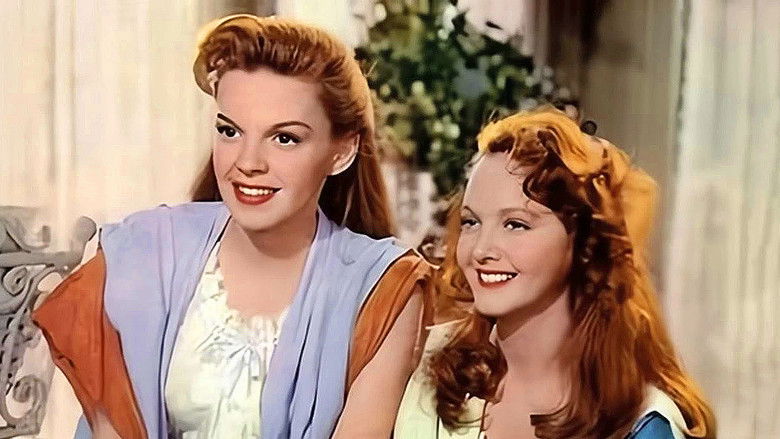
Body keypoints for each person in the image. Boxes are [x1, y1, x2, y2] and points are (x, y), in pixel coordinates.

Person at [34, 14, 433, 439]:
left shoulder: (383, 288)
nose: (247, 162)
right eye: (230, 131)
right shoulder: (142, 252)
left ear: (343, 151)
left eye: (284, 138)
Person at [394, 108, 715, 438]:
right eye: (471, 222)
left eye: (515, 225)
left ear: (584, 241)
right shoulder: (425, 367)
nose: (480, 250)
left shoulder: (641, 424)